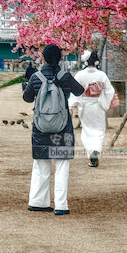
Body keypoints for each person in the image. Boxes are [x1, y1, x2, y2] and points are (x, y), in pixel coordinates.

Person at [22, 44, 84, 215]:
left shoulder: (36, 77)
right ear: (60, 58)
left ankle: (37, 202)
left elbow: (27, 98)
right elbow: (79, 91)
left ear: (43, 58)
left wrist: (29, 83)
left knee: (41, 165)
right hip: (63, 127)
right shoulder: (65, 76)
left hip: (41, 128)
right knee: (62, 167)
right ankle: (61, 205)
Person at [69, 50, 116, 168]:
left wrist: (72, 105)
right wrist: (105, 102)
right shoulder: (102, 75)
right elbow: (110, 91)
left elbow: (75, 92)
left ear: (85, 61)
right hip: (98, 106)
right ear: (96, 61)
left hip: (85, 106)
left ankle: (91, 153)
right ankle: (96, 150)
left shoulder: (80, 75)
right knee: (99, 130)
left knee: (87, 130)